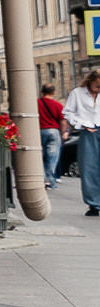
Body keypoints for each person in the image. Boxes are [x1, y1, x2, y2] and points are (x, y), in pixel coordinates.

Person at [66, 70, 100, 217]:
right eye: (97, 86)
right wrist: (81, 123)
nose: (99, 89)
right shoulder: (77, 93)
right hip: (88, 131)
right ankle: (94, 204)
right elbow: (67, 112)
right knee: (88, 168)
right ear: (90, 81)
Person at [38, 84, 66, 190]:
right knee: (52, 157)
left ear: (41, 91)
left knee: (40, 156)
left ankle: (42, 178)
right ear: (54, 92)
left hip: (38, 131)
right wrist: (62, 133)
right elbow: (63, 121)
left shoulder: (36, 103)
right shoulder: (58, 105)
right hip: (54, 131)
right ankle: (49, 181)